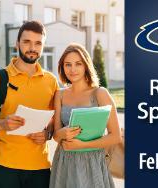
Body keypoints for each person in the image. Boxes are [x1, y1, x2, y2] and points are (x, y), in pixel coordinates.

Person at [0, 20, 59, 188]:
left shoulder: (51, 81)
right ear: (17, 44)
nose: (32, 48)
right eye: (26, 41)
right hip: (5, 167)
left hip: (41, 167)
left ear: (43, 46)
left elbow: (54, 123)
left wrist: (48, 134)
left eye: (38, 43)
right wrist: (2, 124)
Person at [50, 43, 121, 188]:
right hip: (64, 162)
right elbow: (56, 136)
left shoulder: (100, 93)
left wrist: (83, 145)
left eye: (78, 64)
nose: (73, 69)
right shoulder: (60, 94)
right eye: (68, 64)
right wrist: (62, 133)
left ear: (86, 66)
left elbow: (115, 136)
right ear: (62, 67)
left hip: (92, 162)